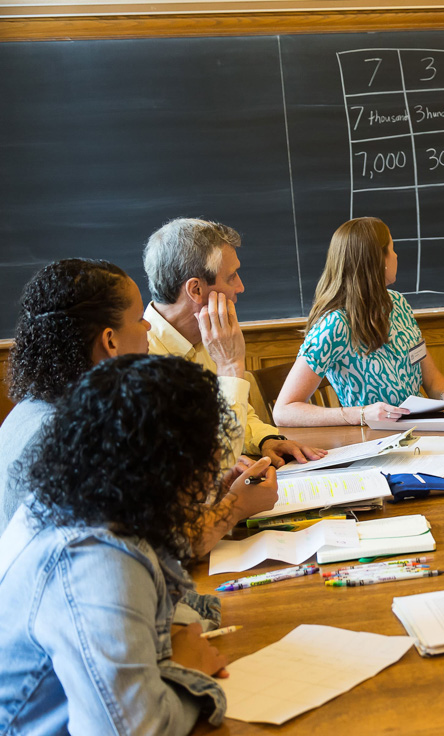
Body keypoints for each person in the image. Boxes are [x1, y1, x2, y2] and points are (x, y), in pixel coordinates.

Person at [0, 355, 241, 733]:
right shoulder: (95, 560)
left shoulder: (87, 498)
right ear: (167, 466)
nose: (208, 477)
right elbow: (133, 729)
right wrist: (185, 671)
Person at [0, 258, 278, 545]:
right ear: (110, 342)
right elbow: (170, 542)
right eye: (137, 319)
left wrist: (209, 489)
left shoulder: (38, 409)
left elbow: (148, 512)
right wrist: (236, 507)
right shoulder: (75, 434)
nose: (148, 325)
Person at [143, 217, 325, 464]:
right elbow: (215, 460)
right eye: (232, 277)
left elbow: (240, 413)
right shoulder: (139, 360)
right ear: (196, 290)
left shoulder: (208, 334)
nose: (240, 287)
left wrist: (265, 439)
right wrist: (229, 366)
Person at [273, 217, 444, 426]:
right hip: (371, 443)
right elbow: (284, 411)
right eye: (392, 249)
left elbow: (430, 378)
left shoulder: (398, 304)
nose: (396, 255)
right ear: (379, 259)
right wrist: (361, 414)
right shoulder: (334, 325)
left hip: (418, 430)